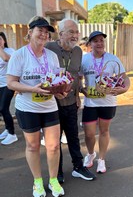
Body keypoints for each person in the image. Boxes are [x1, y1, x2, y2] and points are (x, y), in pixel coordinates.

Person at [7, 16, 65, 197]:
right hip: (27, 108)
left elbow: (55, 81)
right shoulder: (19, 55)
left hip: (49, 107)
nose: (43, 34)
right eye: (40, 30)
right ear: (30, 32)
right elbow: (11, 83)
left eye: (47, 32)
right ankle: (37, 182)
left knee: (54, 146)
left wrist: (59, 90)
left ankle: (53, 181)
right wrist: (32, 89)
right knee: (32, 147)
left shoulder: (52, 56)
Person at [45, 18, 96, 184]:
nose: (75, 35)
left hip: (71, 103)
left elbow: (76, 76)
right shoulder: (49, 48)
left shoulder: (78, 52)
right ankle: (57, 172)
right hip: (52, 104)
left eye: (76, 32)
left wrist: (77, 96)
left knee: (73, 137)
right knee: (55, 141)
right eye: (71, 32)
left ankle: (78, 167)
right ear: (60, 34)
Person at [79, 31, 130, 173]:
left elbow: (124, 78)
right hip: (90, 103)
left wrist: (123, 89)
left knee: (104, 131)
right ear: (90, 44)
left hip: (108, 102)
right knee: (88, 133)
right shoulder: (84, 60)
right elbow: (78, 78)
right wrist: (82, 90)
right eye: (95, 41)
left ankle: (101, 159)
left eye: (101, 40)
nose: (99, 43)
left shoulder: (112, 59)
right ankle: (90, 154)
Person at [0, 32, 18, 145]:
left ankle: (12, 134)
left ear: (4, 40)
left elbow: (6, 59)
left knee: (3, 108)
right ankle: (7, 129)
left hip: (8, 84)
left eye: (0, 39)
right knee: (1, 109)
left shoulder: (10, 51)